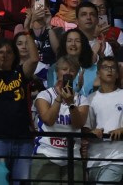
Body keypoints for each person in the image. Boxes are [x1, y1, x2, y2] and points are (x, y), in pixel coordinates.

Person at [0, 10, 38, 184]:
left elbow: (34, 59)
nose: (5, 55)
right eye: (0, 52)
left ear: (15, 56)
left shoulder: (20, 73)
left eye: (9, 52)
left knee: (22, 182)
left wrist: (27, 31)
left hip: (22, 138)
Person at [31, 55, 88, 184]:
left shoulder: (81, 99)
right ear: (57, 72)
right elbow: (48, 120)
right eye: (64, 69)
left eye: (72, 70)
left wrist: (71, 104)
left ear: (76, 74)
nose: (68, 72)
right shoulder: (44, 95)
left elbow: (79, 124)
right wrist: (59, 99)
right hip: (46, 154)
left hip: (73, 156)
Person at [84, 55, 123, 183]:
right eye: (105, 67)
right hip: (94, 158)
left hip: (117, 157)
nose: (110, 70)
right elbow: (85, 128)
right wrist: (92, 132)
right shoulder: (90, 98)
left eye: (113, 68)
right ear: (98, 73)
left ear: (118, 74)